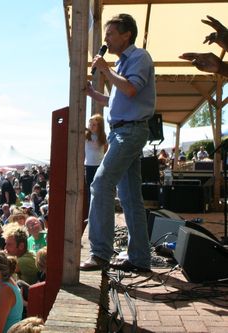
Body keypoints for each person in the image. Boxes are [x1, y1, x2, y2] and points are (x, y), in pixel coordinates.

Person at [82, 13, 155, 273]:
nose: (106, 40)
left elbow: (131, 89)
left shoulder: (139, 58)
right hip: (122, 132)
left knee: (101, 184)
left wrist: (105, 70)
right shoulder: (124, 63)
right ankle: (140, 258)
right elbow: (119, 98)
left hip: (129, 132)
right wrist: (96, 95)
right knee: (130, 198)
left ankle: (100, 253)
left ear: (127, 35)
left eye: (110, 34)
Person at [84, 114, 107, 209]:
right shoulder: (86, 136)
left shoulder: (102, 137)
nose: (91, 126)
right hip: (89, 166)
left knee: (99, 189)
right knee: (90, 190)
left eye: (94, 124)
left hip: (100, 166)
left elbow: (105, 149)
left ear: (99, 126)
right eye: (90, 124)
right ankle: (91, 212)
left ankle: (99, 210)